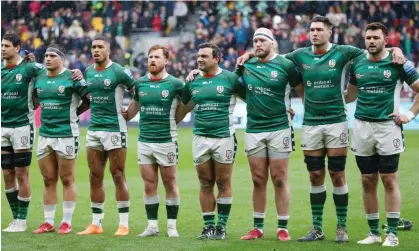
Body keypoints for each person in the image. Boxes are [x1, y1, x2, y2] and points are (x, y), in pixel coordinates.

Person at [237, 15, 405, 243]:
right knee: (315, 175)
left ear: (329, 32)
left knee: (337, 175)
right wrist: (249, 54)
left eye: (318, 29)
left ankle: (341, 227)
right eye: (311, 29)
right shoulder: (300, 55)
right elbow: (273, 58)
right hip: (311, 124)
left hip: (336, 121)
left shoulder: (344, 52)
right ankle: (317, 228)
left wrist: (395, 48)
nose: (314, 33)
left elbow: (373, 48)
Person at [345, 22, 419, 247]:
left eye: (376, 37)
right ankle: (374, 233)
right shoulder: (357, 63)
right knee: (367, 181)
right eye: (368, 37)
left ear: (386, 40)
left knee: (389, 180)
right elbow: (351, 96)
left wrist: (411, 114)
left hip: (388, 128)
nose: (371, 41)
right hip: (362, 128)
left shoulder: (398, 63)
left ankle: (393, 234)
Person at [1, 33, 82, 233]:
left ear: (17, 47)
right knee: (8, 174)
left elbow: (54, 69)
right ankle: (18, 218)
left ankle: (31, 219)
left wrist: (77, 73)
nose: (2, 49)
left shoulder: (31, 68)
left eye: (6, 45)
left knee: (24, 173)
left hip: (23, 126)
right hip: (3, 127)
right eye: (1, 45)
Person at [235, 28, 301, 242]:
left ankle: (283, 227)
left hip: (279, 127)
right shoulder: (246, 65)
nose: (258, 44)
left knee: (280, 179)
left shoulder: (286, 65)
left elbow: (301, 87)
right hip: (254, 128)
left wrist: (291, 106)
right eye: (255, 41)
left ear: (272, 43)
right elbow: (231, 84)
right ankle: (258, 227)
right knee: (257, 179)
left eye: (262, 40)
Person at [177, 42, 245, 240]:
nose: (199, 59)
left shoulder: (230, 79)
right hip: (200, 137)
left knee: (223, 182)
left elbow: (252, 98)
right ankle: (208, 227)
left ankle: (221, 227)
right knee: (205, 182)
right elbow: (184, 105)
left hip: (224, 137)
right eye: (198, 56)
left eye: (204, 56)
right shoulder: (193, 81)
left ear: (217, 59)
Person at [78, 35, 136, 236]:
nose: (95, 50)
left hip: (114, 128)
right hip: (94, 129)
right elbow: (87, 98)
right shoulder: (88, 71)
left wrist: (131, 112)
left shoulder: (119, 71)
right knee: (95, 176)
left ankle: (124, 224)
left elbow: (137, 91)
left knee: (118, 175)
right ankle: (96, 224)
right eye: (93, 47)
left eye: (100, 47)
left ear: (108, 50)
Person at [123, 45, 183, 238]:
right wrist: (113, 110)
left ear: (166, 61)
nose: (152, 60)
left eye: (157, 57)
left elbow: (186, 105)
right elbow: (132, 110)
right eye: (150, 57)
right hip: (145, 141)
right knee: (149, 184)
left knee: (170, 183)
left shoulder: (175, 84)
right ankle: (152, 226)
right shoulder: (140, 84)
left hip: (166, 141)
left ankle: (172, 226)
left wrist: (175, 121)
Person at [31, 44, 90, 234]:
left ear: (62, 59)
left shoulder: (72, 78)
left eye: (52, 56)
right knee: (48, 179)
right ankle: (48, 222)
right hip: (45, 134)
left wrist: (76, 112)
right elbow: (34, 100)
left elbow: (89, 99)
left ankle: (66, 221)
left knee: (67, 179)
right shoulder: (39, 78)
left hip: (66, 134)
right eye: (46, 55)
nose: (47, 58)